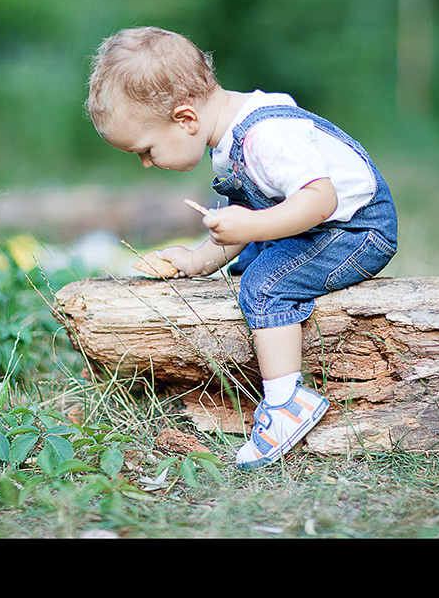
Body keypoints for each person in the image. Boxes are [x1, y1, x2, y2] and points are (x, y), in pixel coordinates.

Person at [85, 26, 398, 469]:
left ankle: (287, 402)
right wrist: (198, 259)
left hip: (357, 229)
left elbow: (321, 198)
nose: (146, 163)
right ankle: (270, 345)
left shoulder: (266, 136)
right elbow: (250, 223)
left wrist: (252, 223)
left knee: (264, 283)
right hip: (321, 225)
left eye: (147, 150)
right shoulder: (229, 137)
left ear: (185, 119)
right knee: (252, 260)